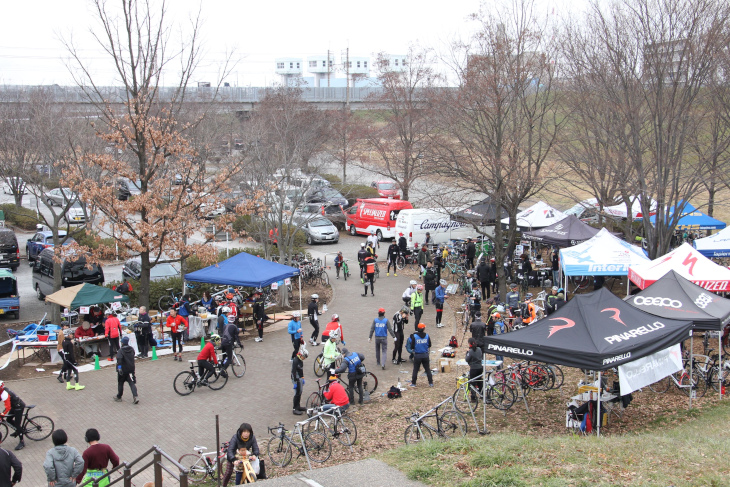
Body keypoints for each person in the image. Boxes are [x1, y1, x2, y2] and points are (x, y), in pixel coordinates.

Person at [0, 382, 25, 451]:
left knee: (17, 425)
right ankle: (18, 430)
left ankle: (22, 442)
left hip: (19, 407)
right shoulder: (2, 390)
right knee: (8, 420)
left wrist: (1, 415)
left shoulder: (5, 394)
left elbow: (7, 408)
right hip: (14, 406)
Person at [114, 336, 138, 404]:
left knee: (120, 383)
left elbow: (119, 360)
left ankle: (119, 396)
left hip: (123, 370)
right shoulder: (131, 349)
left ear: (122, 343)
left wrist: (119, 368)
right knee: (132, 383)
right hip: (131, 369)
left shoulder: (120, 351)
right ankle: (135, 396)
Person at [407, 323, 433, 388]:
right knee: (427, 369)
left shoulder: (415, 336)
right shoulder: (427, 336)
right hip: (425, 355)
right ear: (424, 329)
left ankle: (413, 383)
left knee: (415, 369)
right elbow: (430, 345)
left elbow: (412, 346)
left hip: (417, 355)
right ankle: (431, 383)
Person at [291, 348, 308, 415]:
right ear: (301, 355)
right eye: (304, 357)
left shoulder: (301, 361)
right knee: (297, 393)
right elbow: (293, 372)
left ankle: (298, 406)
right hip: (296, 378)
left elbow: (301, 370)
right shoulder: (295, 361)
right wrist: (295, 382)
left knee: (300, 392)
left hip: (300, 378)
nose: (304, 358)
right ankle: (295, 408)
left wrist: (302, 377)